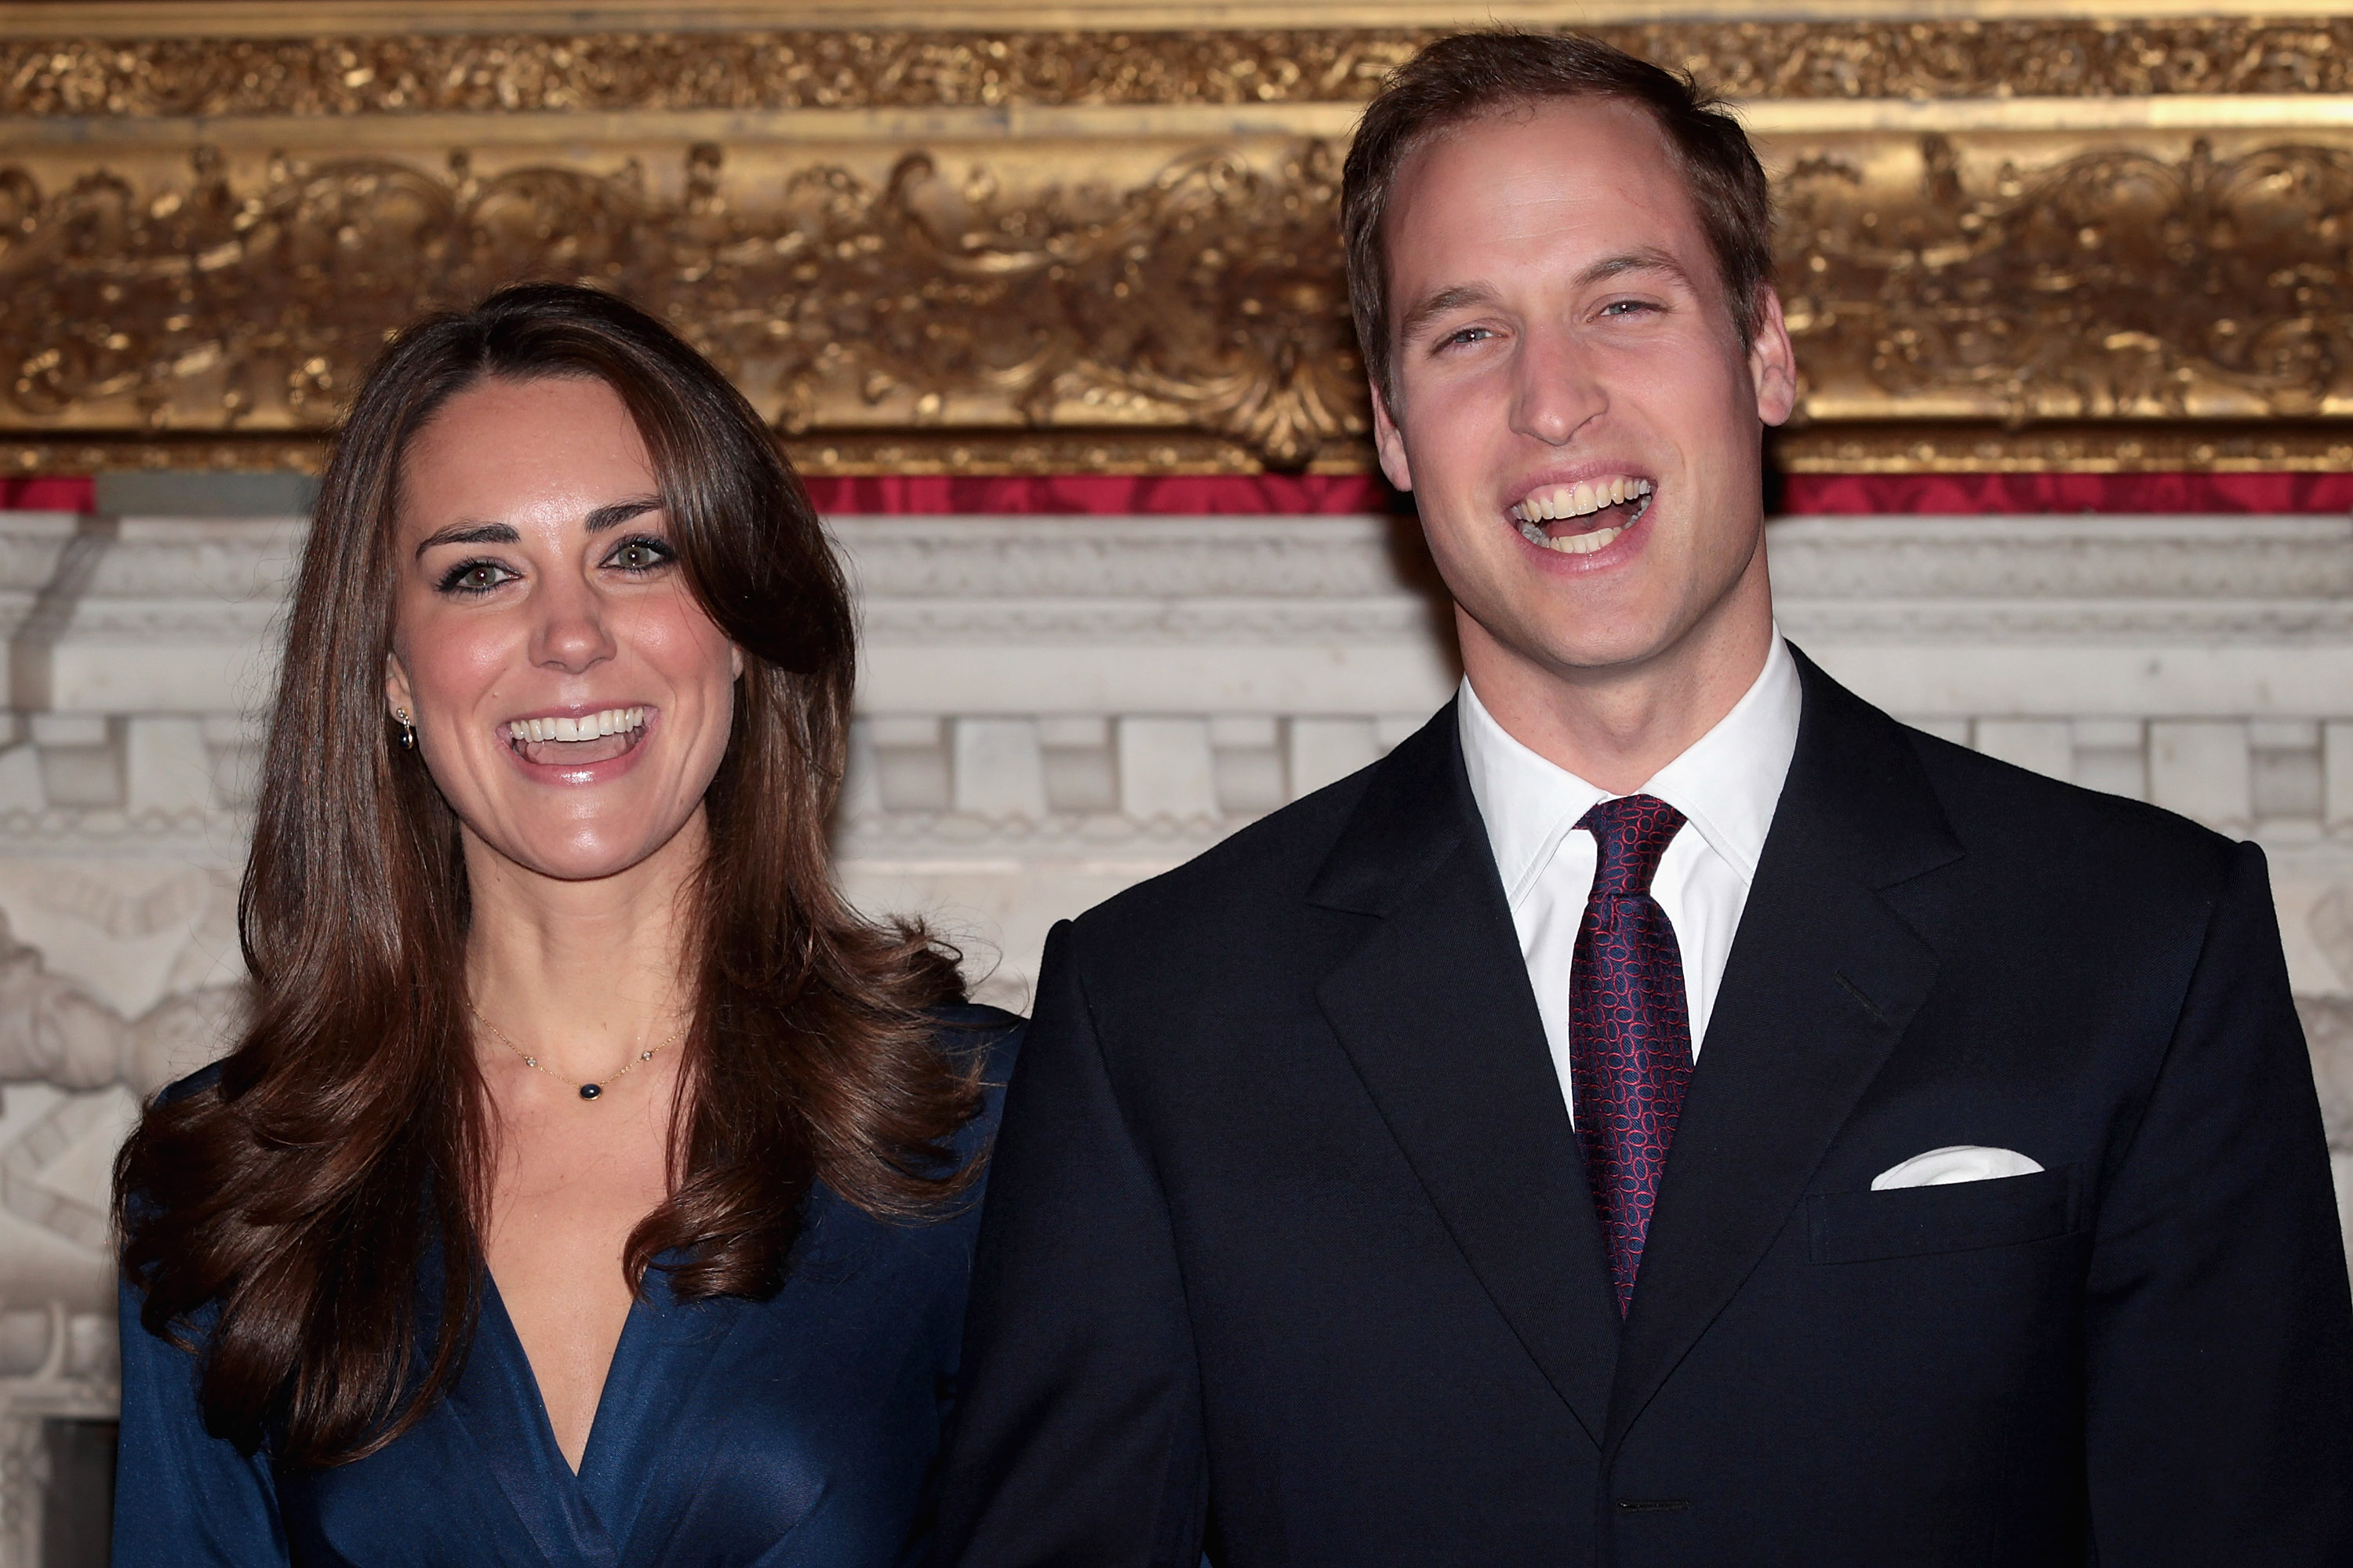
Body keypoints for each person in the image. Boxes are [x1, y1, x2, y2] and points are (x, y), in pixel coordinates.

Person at [931, 31, 2353, 1566]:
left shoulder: (2143, 943)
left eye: (1625, 303)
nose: (1555, 400)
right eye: (1466, 333)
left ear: (1766, 351)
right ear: (1393, 428)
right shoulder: (1161, 1012)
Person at [112, 282, 1016, 1566]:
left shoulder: (991, 1134)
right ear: (389, 671)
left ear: (742, 626)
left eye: (637, 553)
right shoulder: (228, 1187)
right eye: (481, 574)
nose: (571, 636)